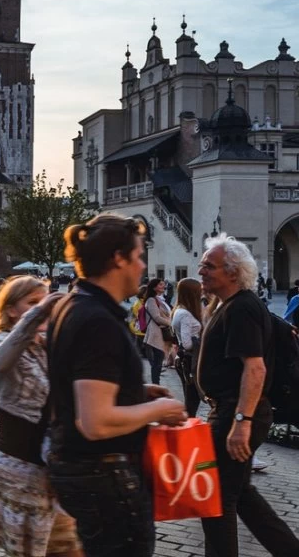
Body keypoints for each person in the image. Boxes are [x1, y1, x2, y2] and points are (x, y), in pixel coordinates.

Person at [45, 214, 187, 557]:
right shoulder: (97, 321)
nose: (142, 266)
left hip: (81, 470)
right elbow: (95, 421)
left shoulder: (73, 305)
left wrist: (135, 394)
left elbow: (80, 387)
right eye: (138, 256)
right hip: (105, 476)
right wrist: (159, 409)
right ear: (118, 258)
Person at [196, 234, 299, 557]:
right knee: (241, 494)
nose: (201, 271)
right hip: (231, 411)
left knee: (217, 500)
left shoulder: (243, 307)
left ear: (233, 272)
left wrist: (241, 421)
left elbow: (255, 368)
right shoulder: (228, 304)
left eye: (209, 266)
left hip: (236, 412)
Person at [0, 276, 82, 557]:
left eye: (43, 301)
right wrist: (38, 314)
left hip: (52, 469)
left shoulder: (46, 344)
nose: (42, 309)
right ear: (12, 309)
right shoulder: (1, 340)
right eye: (32, 303)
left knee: (69, 550)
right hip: (20, 470)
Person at [170, 278, 205, 416]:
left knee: (191, 399)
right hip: (190, 360)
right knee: (192, 400)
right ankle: (188, 429)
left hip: (186, 359)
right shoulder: (185, 314)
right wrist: (200, 341)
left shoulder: (179, 310)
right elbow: (187, 343)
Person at [141, 278, 172, 385]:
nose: (163, 286)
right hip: (155, 334)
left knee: (158, 363)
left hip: (160, 332)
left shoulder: (160, 299)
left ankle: (156, 384)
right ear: (154, 287)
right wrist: (170, 323)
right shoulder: (151, 300)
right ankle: (155, 385)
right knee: (157, 364)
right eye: (160, 284)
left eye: (163, 284)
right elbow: (156, 317)